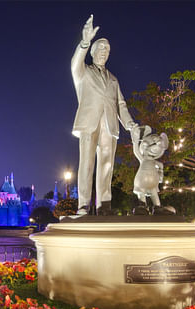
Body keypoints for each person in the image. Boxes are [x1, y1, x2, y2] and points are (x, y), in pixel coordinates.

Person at [71, 15, 138, 215]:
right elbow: (75, 63)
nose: (104, 53)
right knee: (87, 163)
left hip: (110, 126)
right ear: (92, 52)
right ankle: (83, 205)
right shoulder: (83, 73)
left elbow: (121, 104)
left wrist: (130, 124)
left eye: (107, 50)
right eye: (100, 49)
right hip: (89, 123)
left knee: (107, 165)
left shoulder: (114, 80)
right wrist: (84, 41)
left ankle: (104, 205)